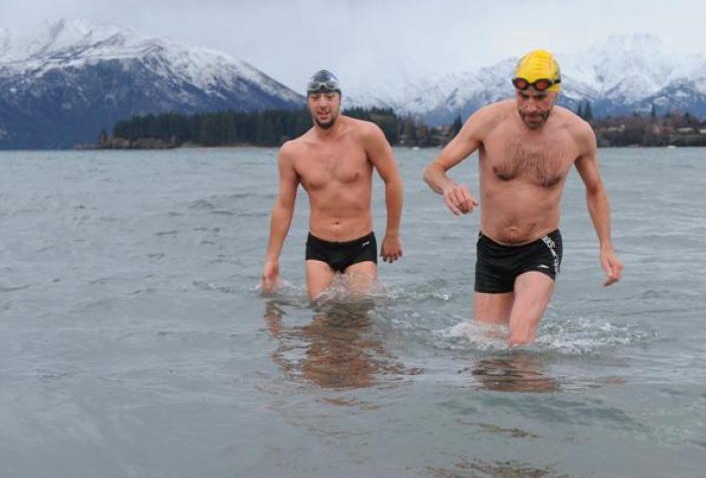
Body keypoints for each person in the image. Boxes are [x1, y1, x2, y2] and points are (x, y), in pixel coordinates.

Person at [422, 49, 623, 346]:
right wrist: (448, 187)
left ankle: (534, 386)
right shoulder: (488, 121)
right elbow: (434, 170)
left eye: (540, 98)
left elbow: (595, 189)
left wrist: (606, 246)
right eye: (522, 96)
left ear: (555, 92)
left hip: (540, 245)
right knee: (486, 350)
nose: (530, 107)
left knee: (518, 340)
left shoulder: (577, 133)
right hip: (491, 249)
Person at [261, 70, 403, 300]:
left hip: (360, 244)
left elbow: (393, 181)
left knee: (359, 316)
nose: (323, 104)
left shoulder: (366, 134)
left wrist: (392, 234)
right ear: (308, 102)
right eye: (316, 98)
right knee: (320, 317)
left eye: (329, 97)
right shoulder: (293, 151)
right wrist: (272, 258)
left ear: (339, 99)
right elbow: (284, 206)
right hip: (319, 246)